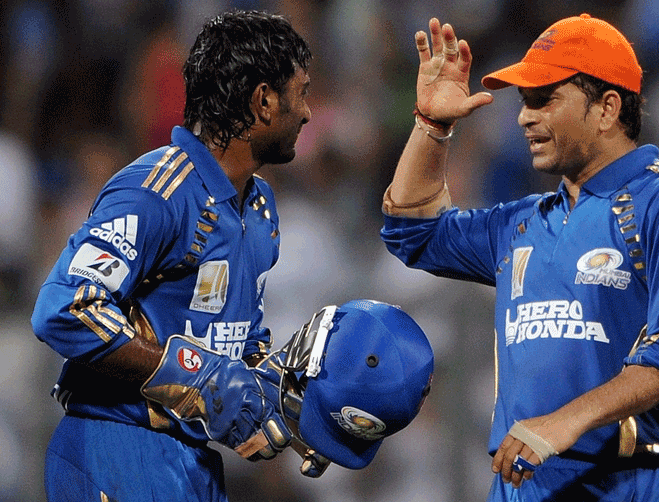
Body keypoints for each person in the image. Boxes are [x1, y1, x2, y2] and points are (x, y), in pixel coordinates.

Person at [30, 10, 433, 502]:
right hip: (116, 450)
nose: (308, 113)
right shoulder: (156, 191)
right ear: (264, 101)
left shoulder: (260, 208)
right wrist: (201, 380)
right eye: (302, 93)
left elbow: (236, 342)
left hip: (193, 463)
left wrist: (283, 399)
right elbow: (65, 309)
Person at [380, 13, 659, 502]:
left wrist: (563, 424)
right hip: (520, 480)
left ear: (607, 108)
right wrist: (432, 125)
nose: (525, 117)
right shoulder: (524, 222)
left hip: (625, 482)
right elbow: (411, 231)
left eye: (544, 100)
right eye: (525, 102)